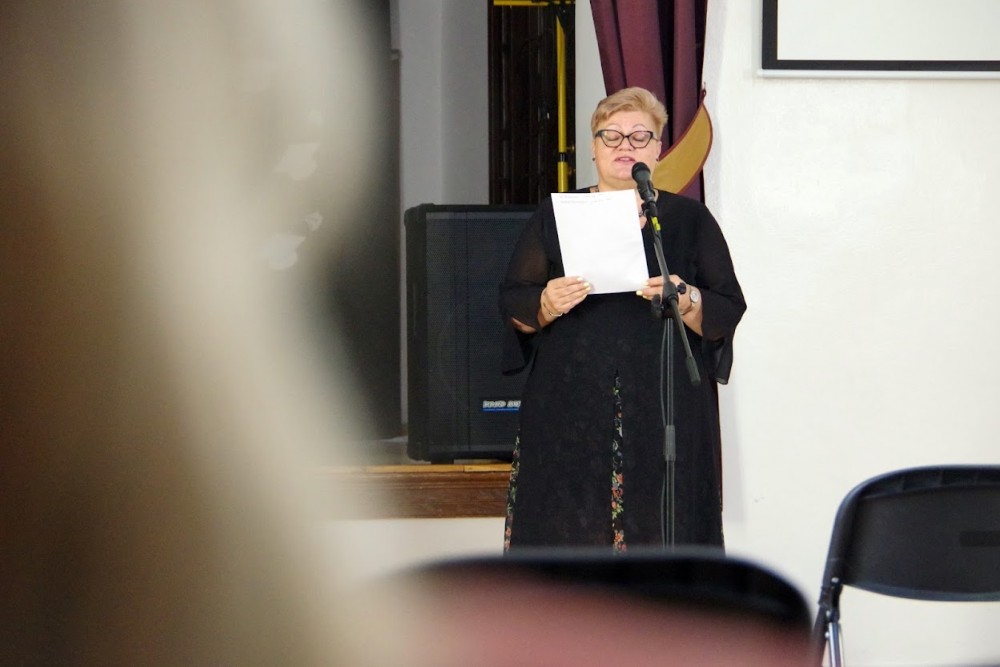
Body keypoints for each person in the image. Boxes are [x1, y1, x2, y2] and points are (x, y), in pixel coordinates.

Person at [501, 86, 746, 550]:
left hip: (664, 400)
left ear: (656, 149)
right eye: (610, 136)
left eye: (639, 136)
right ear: (593, 148)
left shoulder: (689, 219)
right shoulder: (557, 214)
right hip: (570, 400)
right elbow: (514, 301)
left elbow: (728, 307)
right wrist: (546, 303)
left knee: (662, 526)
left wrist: (687, 297)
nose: (624, 146)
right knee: (568, 527)